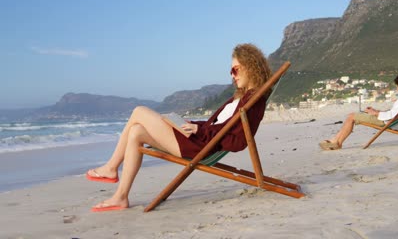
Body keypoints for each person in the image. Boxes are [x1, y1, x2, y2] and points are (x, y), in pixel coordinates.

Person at [86, 43, 272, 212]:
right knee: (136, 132)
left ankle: (111, 168)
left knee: (139, 111)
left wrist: (201, 132)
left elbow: (238, 142)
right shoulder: (239, 97)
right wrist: (195, 125)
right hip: (199, 139)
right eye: (231, 71)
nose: (232, 75)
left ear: (250, 66)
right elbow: (216, 126)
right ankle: (120, 197)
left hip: (201, 147)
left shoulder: (253, 101)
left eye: (235, 69)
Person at [319, 73, 398, 151]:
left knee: (352, 116)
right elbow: (394, 113)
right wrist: (376, 111)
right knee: (351, 117)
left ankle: (337, 142)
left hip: (385, 121)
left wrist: (376, 113)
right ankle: (336, 141)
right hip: (385, 119)